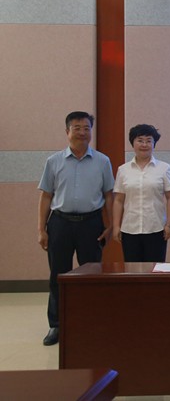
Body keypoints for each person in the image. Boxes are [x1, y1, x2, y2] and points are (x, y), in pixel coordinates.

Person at [37, 111, 114, 346]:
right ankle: (57, 325)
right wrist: (41, 229)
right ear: (67, 131)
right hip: (60, 223)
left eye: (87, 128)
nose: (82, 132)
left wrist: (110, 225)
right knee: (58, 275)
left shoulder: (102, 161)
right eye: (77, 128)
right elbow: (46, 196)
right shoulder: (53, 161)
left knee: (92, 276)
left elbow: (108, 196)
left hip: (91, 224)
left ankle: (90, 322)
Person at [112, 124, 170, 262]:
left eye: (149, 141)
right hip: (130, 229)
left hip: (156, 228)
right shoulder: (123, 170)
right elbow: (118, 200)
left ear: (154, 144)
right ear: (133, 143)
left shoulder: (164, 168)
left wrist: (169, 224)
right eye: (140, 140)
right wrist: (116, 226)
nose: (144, 145)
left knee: (155, 269)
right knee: (132, 270)